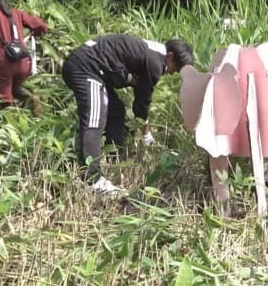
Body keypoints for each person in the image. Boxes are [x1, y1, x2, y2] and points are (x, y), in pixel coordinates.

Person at [62, 33, 193, 195]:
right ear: (170, 56)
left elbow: (119, 66)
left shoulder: (151, 51)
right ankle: (93, 180)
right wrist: (146, 133)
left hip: (94, 67)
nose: (172, 73)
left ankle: (113, 155)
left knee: (115, 111)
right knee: (94, 121)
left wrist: (128, 78)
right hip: (87, 68)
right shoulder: (155, 63)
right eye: (176, 68)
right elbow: (141, 104)